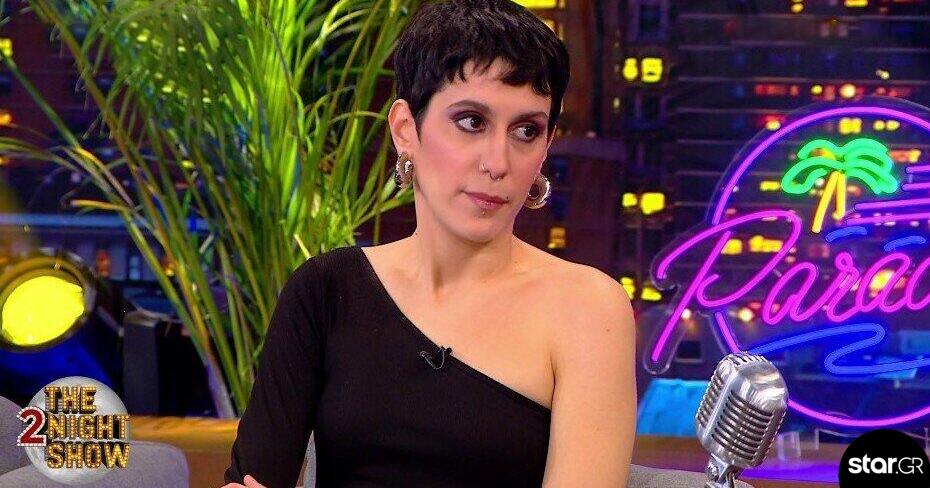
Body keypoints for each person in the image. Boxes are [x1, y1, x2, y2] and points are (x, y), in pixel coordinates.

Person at [223, 0, 636, 486]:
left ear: (545, 147)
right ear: (406, 130)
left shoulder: (588, 309)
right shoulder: (325, 290)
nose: (498, 162)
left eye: (527, 131)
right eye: (471, 122)